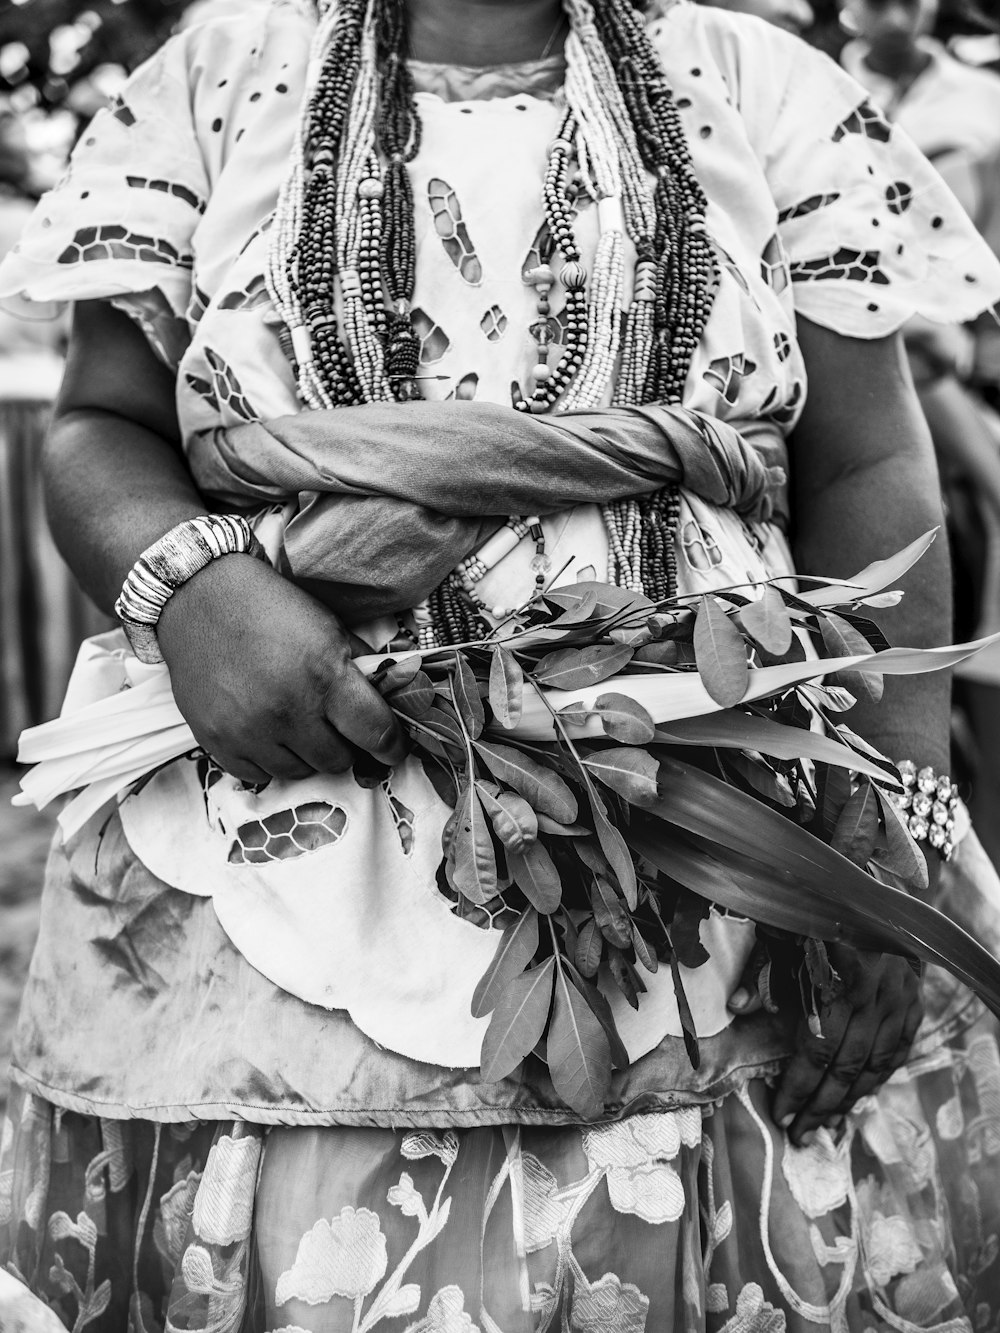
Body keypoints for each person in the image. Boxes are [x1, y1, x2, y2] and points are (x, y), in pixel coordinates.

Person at [2, 0, 1000, 1326]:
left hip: (742, 862)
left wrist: (891, 838)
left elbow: (872, 462)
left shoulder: (764, 88)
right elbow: (100, 425)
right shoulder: (218, 75)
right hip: (278, 837)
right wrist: (190, 593)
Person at [838, 0, 1000, 870]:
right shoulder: (833, 88)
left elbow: (934, 310)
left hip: (961, 389)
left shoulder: (970, 104)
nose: (885, 9)